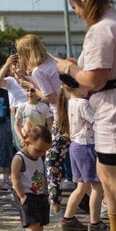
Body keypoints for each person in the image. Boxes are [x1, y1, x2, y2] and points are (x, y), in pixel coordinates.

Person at [54, 0, 116, 231]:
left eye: (76, 7)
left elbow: (95, 79)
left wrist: (69, 70)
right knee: (105, 176)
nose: (76, 13)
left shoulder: (101, 29)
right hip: (113, 111)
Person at [16, 34, 69, 213]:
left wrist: (33, 88)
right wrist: (31, 83)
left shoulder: (39, 70)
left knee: (53, 160)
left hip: (62, 116)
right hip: (73, 109)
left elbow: (50, 97)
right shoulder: (53, 61)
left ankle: (55, 202)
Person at [56, 85, 106, 231]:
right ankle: (95, 222)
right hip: (87, 145)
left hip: (76, 146)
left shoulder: (69, 102)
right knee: (97, 186)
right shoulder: (83, 103)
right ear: (76, 86)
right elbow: (97, 121)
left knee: (82, 186)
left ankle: (68, 218)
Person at [11, 125, 54, 231]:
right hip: (26, 194)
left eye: (44, 152)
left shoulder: (39, 156)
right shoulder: (19, 158)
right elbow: (15, 178)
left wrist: (46, 192)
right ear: (28, 142)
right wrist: (22, 195)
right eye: (39, 150)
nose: (41, 154)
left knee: (41, 221)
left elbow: (42, 175)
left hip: (39, 193)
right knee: (33, 221)